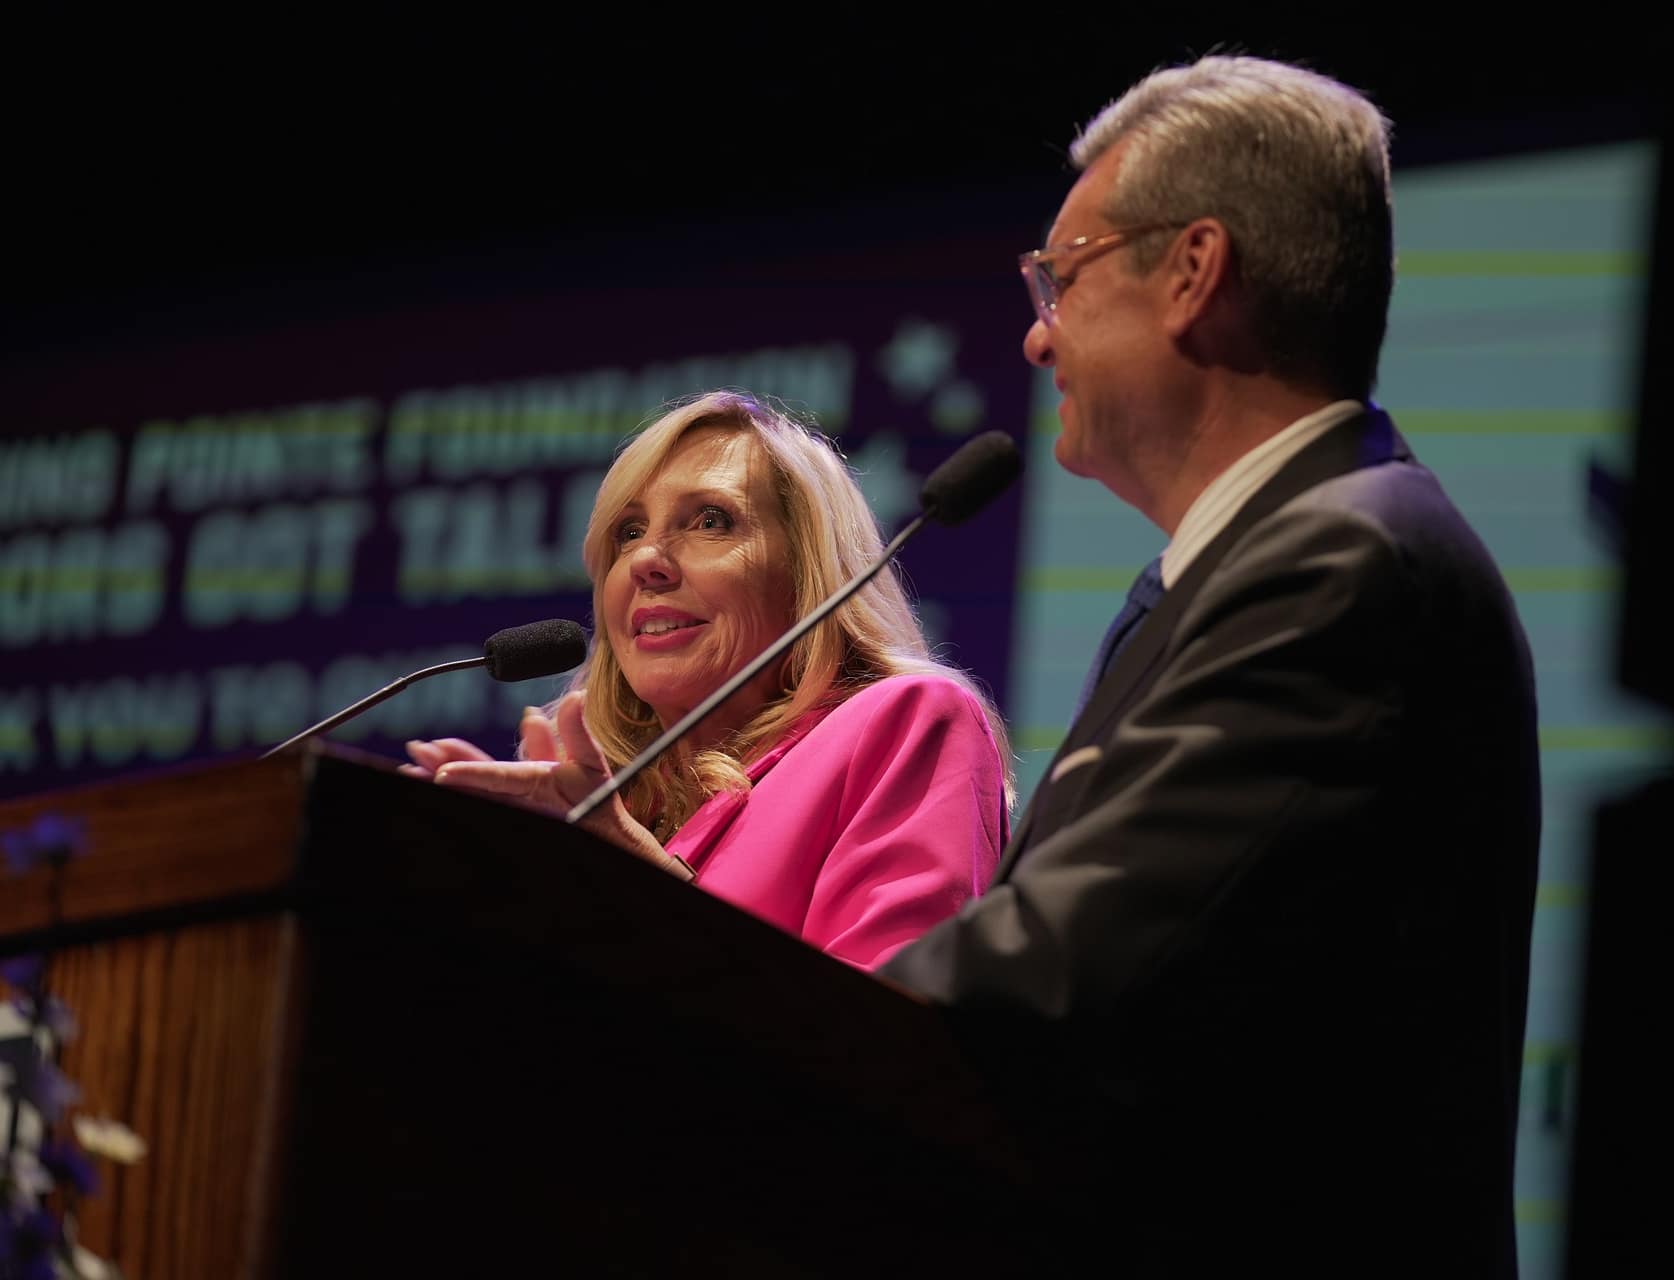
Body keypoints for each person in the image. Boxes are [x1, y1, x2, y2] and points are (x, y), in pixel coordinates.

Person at [879, 56, 1542, 1273]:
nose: (1035, 335)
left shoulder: (1346, 564)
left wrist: (693, 984)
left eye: (1060, 277)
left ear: (1192, 273)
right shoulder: (1242, 571)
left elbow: (1050, 984)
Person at [406, 390, 1014, 972]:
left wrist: (635, 883)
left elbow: (886, 1040)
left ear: (808, 574)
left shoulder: (905, 721)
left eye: (711, 520)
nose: (646, 559)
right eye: (628, 532)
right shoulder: (598, 804)